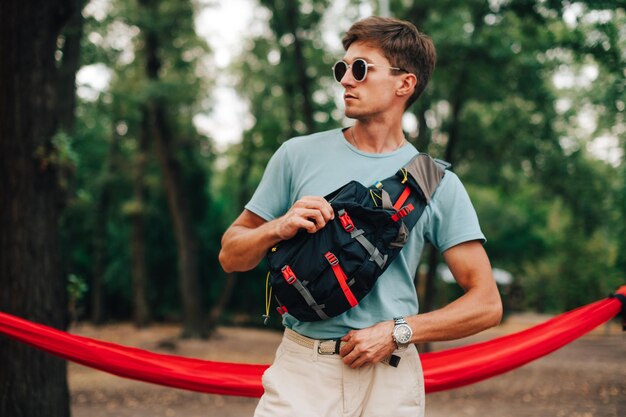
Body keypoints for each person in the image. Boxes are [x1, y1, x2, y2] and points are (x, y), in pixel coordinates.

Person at [219, 16, 502, 417]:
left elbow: (487, 303)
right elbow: (230, 256)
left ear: (405, 84)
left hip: (390, 376)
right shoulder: (297, 155)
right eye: (342, 69)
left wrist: (398, 331)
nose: (346, 80)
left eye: (360, 69)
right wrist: (277, 227)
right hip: (304, 369)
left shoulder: (435, 182)